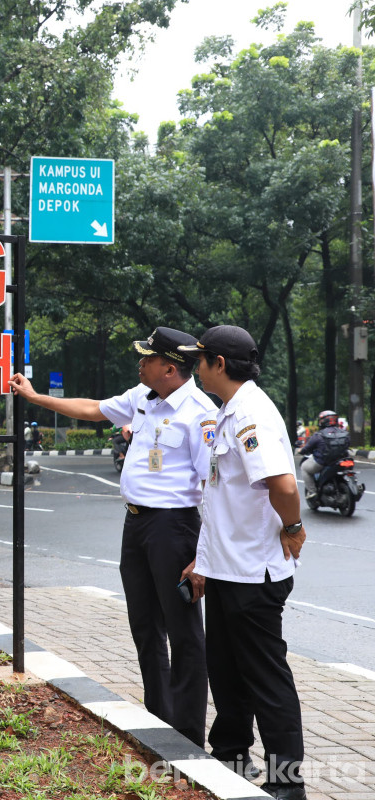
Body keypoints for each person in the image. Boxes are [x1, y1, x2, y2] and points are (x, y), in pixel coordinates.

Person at [9, 326, 215, 750]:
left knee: (184, 632)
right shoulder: (142, 398)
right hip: (137, 525)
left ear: (170, 368)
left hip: (174, 529)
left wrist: (204, 555)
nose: (139, 364)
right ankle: (159, 719)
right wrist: (34, 397)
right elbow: (91, 408)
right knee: (144, 625)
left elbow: (213, 487)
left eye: (147, 358)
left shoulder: (200, 412)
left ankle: (189, 734)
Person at [176, 326, 307, 799]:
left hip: (255, 574)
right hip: (229, 570)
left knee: (266, 678)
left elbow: (284, 486)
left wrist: (292, 528)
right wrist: (204, 562)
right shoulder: (229, 411)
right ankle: (231, 756)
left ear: (220, 365)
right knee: (227, 671)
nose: (197, 367)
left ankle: (287, 784)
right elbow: (223, 500)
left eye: (202, 359)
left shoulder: (250, 414)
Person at [298, 410, 350, 500]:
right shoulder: (344, 433)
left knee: (304, 467)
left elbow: (307, 448)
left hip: (323, 463)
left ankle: (312, 491)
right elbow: (348, 444)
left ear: (323, 421)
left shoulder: (319, 435)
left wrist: (300, 450)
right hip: (342, 460)